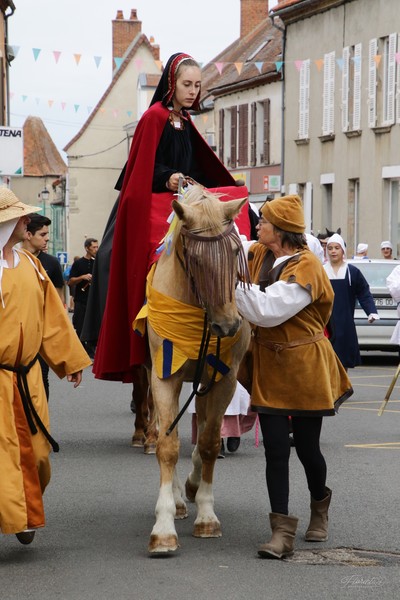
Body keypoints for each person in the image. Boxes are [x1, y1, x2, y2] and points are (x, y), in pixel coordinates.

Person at [92, 52, 250, 382]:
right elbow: (141, 169)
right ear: (171, 84)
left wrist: (219, 184)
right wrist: (168, 178)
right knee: (116, 257)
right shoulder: (153, 117)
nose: (193, 91)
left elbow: (199, 167)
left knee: (238, 218)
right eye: (186, 84)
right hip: (153, 199)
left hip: (185, 198)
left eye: (197, 85)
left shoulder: (185, 121)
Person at [234, 195, 353, 559]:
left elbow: (268, 311)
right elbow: (232, 242)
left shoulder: (307, 268)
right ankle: (281, 532)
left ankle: (320, 504)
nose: (257, 226)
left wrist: (228, 287)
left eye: (264, 221)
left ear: (281, 229)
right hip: (269, 365)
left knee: (306, 448)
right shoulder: (259, 254)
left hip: (304, 366)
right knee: (274, 448)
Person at [0, 186, 92, 545]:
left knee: (38, 454)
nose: (25, 221)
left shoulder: (32, 265)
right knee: (4, 455)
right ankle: (17, 517)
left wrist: (68, 359)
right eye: (18, 217)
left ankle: (23, 509)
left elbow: (51, 318)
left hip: (27, 378)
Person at [21, 214, 66, 400]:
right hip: (17, 329)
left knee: (42, 376)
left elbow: (58, 298)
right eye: (43, 234)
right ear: (28, 235)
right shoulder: (11, 259)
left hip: (41, 330)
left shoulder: (52, 263)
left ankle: (41, 422)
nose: (47, 238)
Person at [324, 233, 379, 369]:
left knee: (343, 363)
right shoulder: (321, 271)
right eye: (330, 248)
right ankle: (329, 390)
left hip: (345, 323)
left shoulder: (352, 272)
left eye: (337, 248)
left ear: (342, 250)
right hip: (324, 324)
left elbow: (364, 293)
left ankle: (342, 390)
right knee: (326, 362)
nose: (333, 251)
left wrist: (371, 312)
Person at [68, 238, 98, 359]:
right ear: (87, 248)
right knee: (79, 327)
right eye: (94, 247)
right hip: (81, 301)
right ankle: (82, 351)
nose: (96, 249)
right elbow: (70, 281)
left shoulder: (98, 263)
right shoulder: (79, 263)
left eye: (97, 247)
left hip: (95, 302)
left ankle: (91, 351)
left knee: (94, 327)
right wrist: (83, 277)